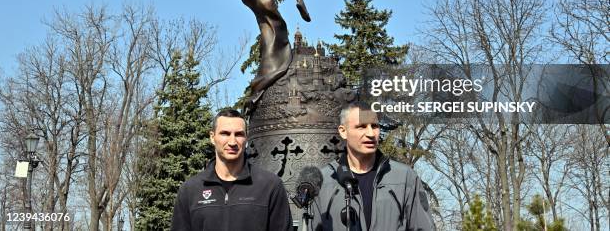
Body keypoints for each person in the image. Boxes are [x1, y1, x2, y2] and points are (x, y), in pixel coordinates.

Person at [311, 102, 435, 231]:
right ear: (343, 131)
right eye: (362, 127)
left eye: (375, 126)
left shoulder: (405, 177)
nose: (370, 134)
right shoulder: (323, 181)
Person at [171, 109, 292, 231]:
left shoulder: (270, 186)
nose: (232, 142)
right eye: (225, 133)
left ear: (246, 138)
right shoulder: (190, 190)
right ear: (212, 137)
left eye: (239, 134)